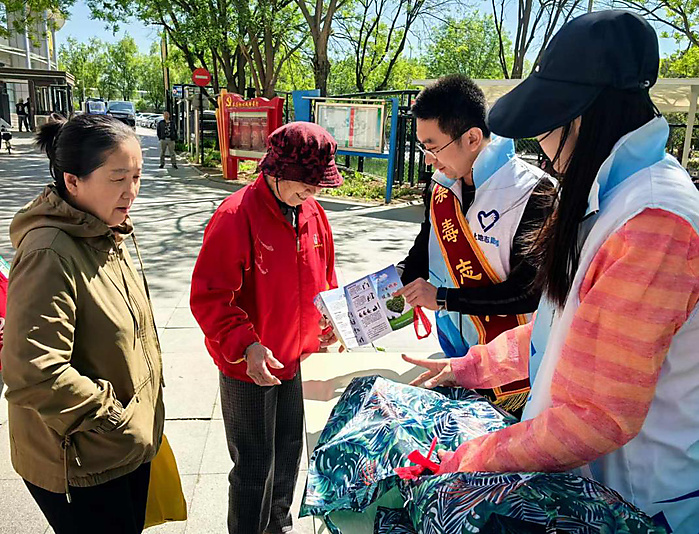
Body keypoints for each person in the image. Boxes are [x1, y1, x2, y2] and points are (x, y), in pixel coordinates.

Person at [405, 11, 699, 533]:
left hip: (640, 499)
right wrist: (471, 366)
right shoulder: (610, 197)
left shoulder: (655, 221)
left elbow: (597, 416)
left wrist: (472, 457)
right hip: (591, 487)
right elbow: (558, 329)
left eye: (543, 127)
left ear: (582, 117)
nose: (541, 148)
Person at [1, 114, 164, 534]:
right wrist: (114, 419)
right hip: (83, 461)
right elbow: (33, 371)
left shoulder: (105, 230)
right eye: (118, 178)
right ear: (72, 181)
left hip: (119, 447)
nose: (131, 191)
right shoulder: (49, 252)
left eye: (137, 177)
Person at [190, 122, 342, 534]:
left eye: (318, 184)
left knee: (289, 452)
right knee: (255, 465)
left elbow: (325, 276)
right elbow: (209, 297)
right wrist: (246, 345)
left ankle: (279, 525)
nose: (313, 192)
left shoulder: (312, 213)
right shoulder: (235, 216)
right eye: (306, 183)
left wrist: (330, 318)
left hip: (298, 357)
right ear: (276, 171)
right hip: (250, 364)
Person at [395, 75, 554, 416]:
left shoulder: (532, 191)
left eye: (433, 147)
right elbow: (423, 253)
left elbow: (529, 291)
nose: (427, 159)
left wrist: (443, 299)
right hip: (454, 354)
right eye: (423, 147)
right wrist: (366, 301)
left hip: (511, 371)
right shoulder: (441, 185)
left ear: (471, 138)